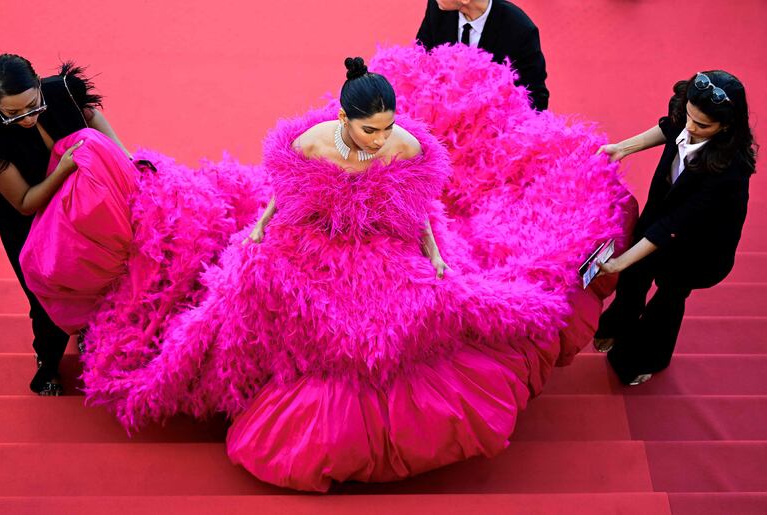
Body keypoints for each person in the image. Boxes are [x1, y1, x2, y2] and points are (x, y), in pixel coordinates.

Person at [81, 51, 630, 492]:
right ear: (344, 121)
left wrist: (436, 258)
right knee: (259, 286)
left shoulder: (406, 145)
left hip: (386, 241)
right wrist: (259, 229)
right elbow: (282, 195)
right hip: (313, 238)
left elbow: (419, 215)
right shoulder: (312, 143)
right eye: (371, 130)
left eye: (388, 127)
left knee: (423, 306)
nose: (381, 139)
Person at [0, 54, 134, 396]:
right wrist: (63, 170)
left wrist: (125, 159)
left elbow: (92, 117)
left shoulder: (62, 92)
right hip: (28, 217)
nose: (26, 119)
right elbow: (25, 202)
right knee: (45, 290)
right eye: (12, 114)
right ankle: (48, 363)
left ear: (39, 87)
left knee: (101, 271)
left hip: (82, 205)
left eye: (32, 106)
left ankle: (92, 333)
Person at [593, 71, 755, 385]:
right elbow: (670, 126)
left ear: (727, 126)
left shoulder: (729, 174)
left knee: (667, 299)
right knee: (633, 277)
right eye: (690, 117)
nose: (691, 128)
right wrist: (623, 148)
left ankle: (644, 359)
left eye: (702, 125)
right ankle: (616, 326)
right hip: (663, 212)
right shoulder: (688, 115)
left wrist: (622, 260)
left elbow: (674, 226)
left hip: (699, 246)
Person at [416, 0, 549, 110]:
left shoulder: (520, 30)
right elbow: (419, 58)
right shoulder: (438, 8)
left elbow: (536, 96)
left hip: (492, 127)